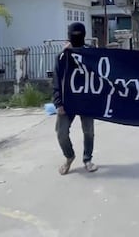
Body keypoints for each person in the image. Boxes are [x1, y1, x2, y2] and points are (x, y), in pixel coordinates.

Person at [52, 22, 98, 175]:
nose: (76, 38)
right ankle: (69, 156)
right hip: (67, 102)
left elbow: (100, 75)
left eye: (78, 35)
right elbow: (57, 81)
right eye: (73, 35)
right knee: (61, 132)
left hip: (86, 100)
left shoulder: (91, 54)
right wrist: (58, 102)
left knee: (89, 132)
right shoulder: (62, 56)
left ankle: (87, 159)